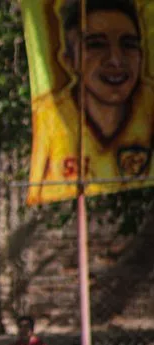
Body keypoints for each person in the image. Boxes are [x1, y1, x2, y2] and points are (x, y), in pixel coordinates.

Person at [29, 0, 153, 198]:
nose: (115, 59)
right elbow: (39, 189)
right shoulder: (48, 117)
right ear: (70, 61)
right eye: (97, 45)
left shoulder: (149, 108)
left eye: (128, 45)